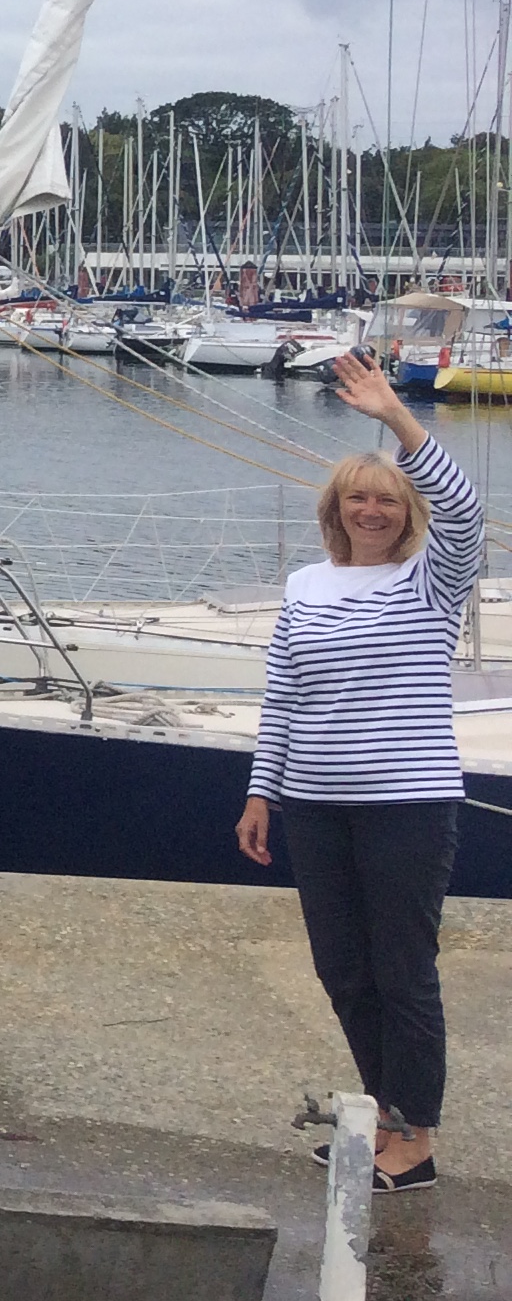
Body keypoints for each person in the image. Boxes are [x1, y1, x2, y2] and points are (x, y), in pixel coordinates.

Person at [237, 351, 480, 1194]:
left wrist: (398, 419)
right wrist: (261, 791)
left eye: (387, 500)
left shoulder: (430, 582)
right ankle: (381, 1117)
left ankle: (416, 1140)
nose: (371, 510)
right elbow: (283, 695)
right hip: (314, 804)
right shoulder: (307, 585)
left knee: (403, 972)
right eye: (357, 498)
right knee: (343, 969)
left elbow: (465, 509)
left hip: (406, 805)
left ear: (407, 512)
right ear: (335, 509)